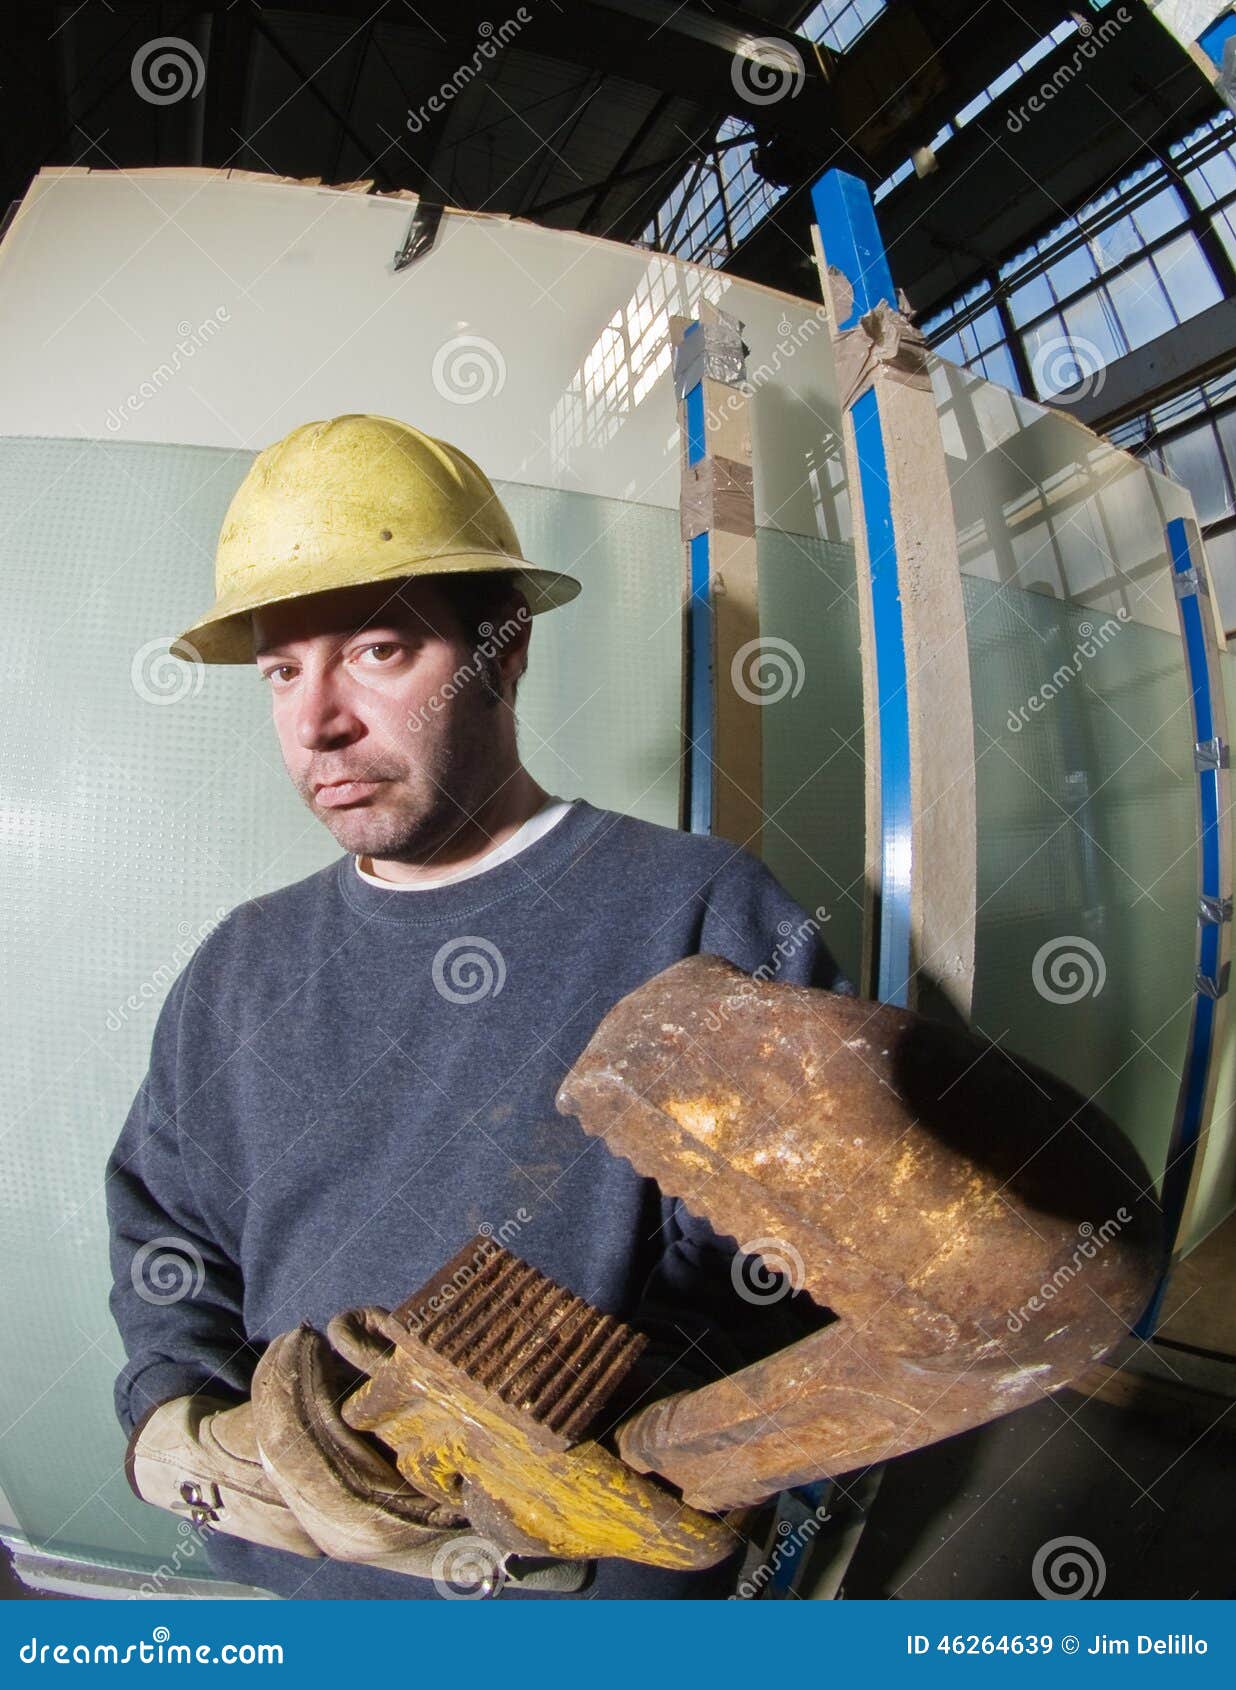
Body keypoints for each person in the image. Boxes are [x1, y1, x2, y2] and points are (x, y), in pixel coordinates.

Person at [105, 413, 852, 1601]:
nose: (319, 721)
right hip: (307, 1600)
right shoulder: (240, 967)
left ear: (503, 656)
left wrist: (576, 1462)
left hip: (588, 1602)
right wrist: (177, 1419)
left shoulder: (698, 916)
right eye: (282, 670)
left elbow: (791, 1284)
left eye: (379, 651)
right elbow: (167, 1237)